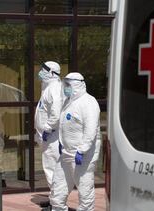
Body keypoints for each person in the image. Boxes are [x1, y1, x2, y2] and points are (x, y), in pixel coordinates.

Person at [48, 72, 101, 211]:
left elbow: (90, 130)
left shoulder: (89, 102)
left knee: (84, 189)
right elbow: (63, 124)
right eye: (65, 85)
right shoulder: (68, 102)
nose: (66, 88)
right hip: (66, 152)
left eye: (68, 85)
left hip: (83, 156)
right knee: (58, 186)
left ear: (78, 85)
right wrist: (61, 142)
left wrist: (82, 150)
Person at [34, 61, 63, 207]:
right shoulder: (48, 88)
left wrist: (47, 129)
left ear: (52, 73)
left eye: (43, 70)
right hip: (47, 138)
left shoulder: (55, 89)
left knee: (53, 171)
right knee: (50, 169)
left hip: (52, 138)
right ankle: (54, 200)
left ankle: (57, 205)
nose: (40, 72)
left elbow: (56, 114)